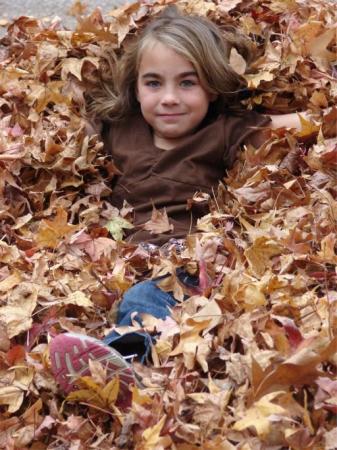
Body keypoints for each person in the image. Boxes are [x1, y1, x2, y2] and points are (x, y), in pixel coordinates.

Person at [49, 5, 326, 403]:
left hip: (187, 256)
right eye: (154, 83)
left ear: (212, 87)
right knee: (96, 299)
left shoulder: (225, 132)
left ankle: (125, 364)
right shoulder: (121, 129)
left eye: (187, 83)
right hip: (121, 257)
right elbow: (55, 128)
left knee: (144, 298)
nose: (169, 99)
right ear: (136, 88)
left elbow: (305, 124)